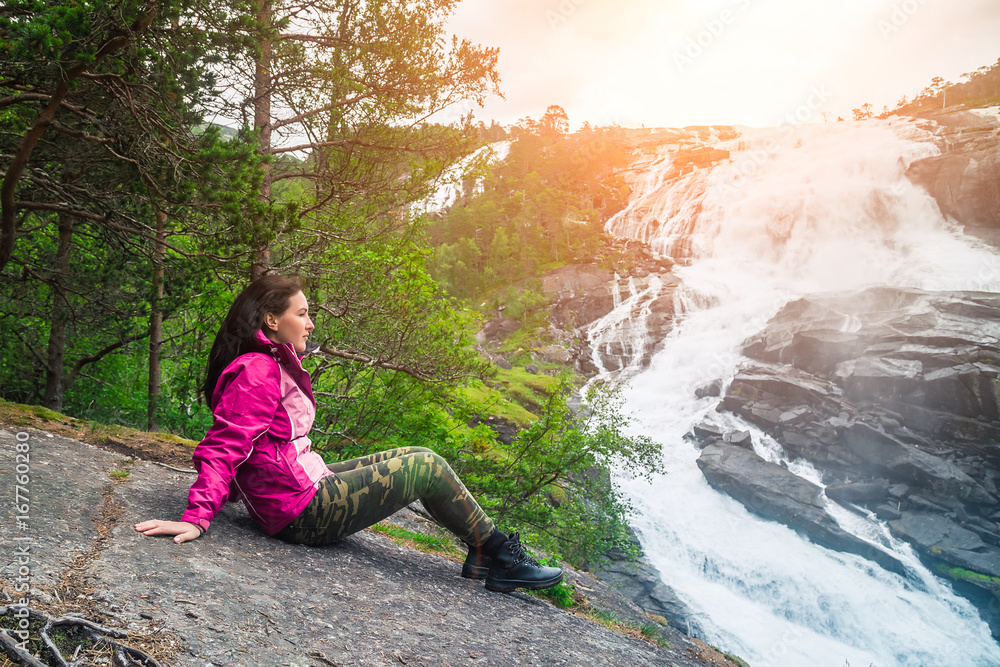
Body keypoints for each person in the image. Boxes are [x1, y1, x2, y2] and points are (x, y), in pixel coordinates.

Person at [134, 274, 563, 593]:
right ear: (270, 319)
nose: (311, 324)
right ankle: (499, 556)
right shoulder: (257, 369)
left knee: (415, 453)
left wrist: (234, 494)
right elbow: (226, 446)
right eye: (301, 314)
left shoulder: (269, 363)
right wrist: (197, 516)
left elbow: (256, 446)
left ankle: (486, 554)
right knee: (425, 465)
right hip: (299, 513)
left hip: (299, 489)